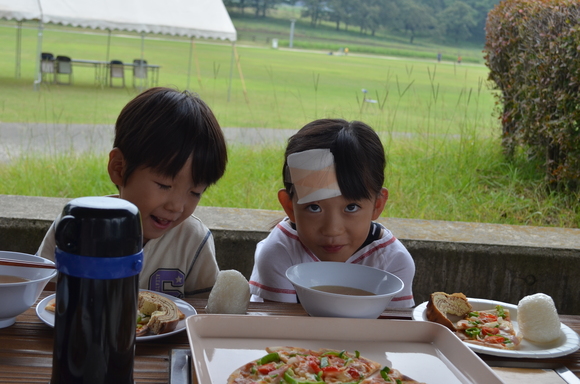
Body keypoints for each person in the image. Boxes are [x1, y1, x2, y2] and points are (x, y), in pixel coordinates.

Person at [36, 87, 228, 298]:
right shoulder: (75, 225)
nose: (177, 206)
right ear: (119, 168)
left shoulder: (193, 240)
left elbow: (204, 313)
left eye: (195, 192)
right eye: (164, 185)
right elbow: (44, 297)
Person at [249, 119, 415, 307]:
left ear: (377, 205)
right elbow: (281, 328)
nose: (332, 229)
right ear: (289, 207)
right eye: (314, 207)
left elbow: (394, 330)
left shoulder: (393, 262)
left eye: (351, 207)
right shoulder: (279, 253)